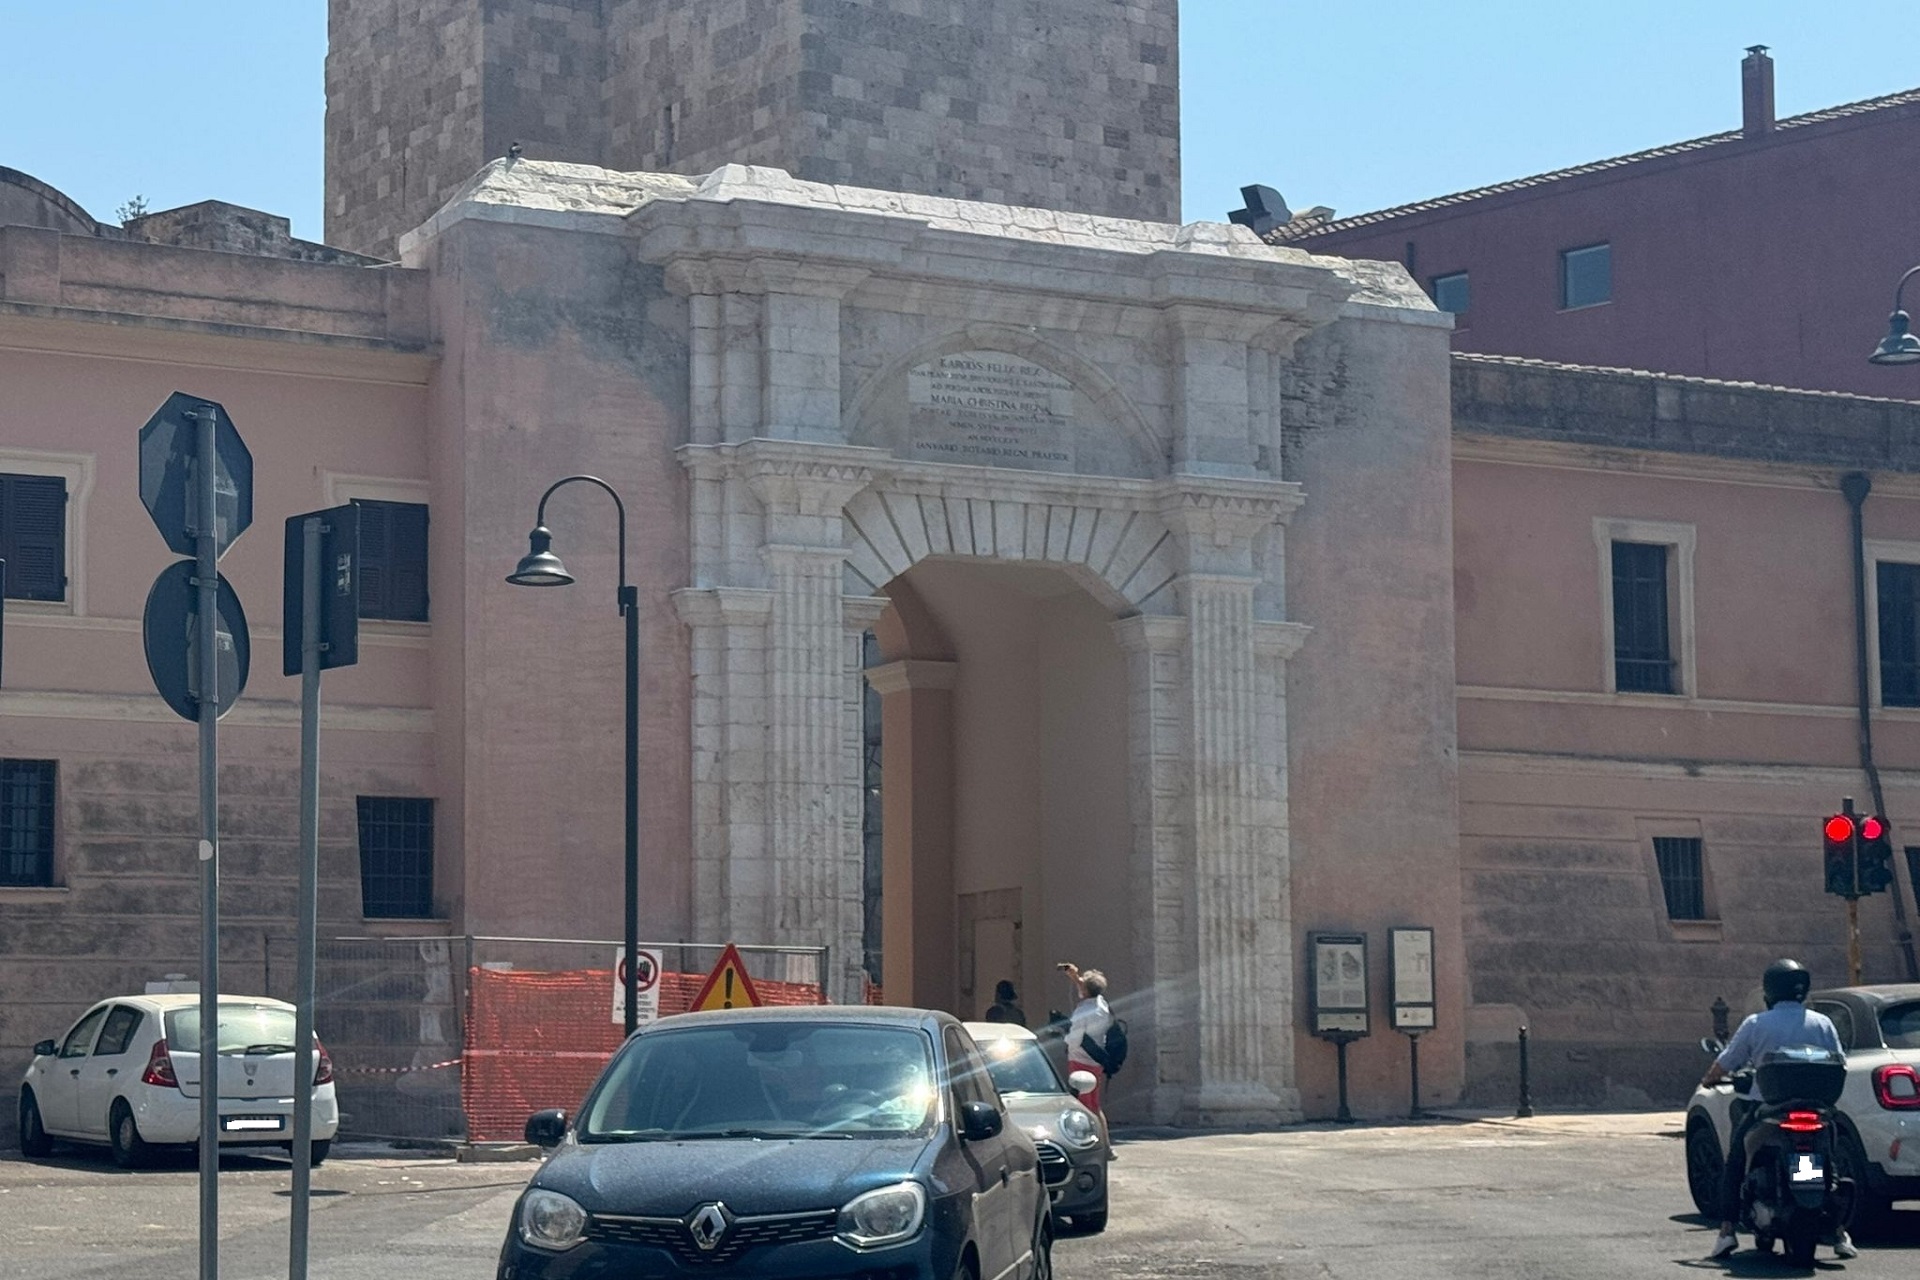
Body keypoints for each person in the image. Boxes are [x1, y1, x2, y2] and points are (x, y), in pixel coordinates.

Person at [1700, 958, 1855, 1262]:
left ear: (1770, 991)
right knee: (1830, 1164)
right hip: (1816, 1109)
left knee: (1735, 1161)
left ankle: (1727, 1231)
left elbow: (1728, 1061)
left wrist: (1710, 1077)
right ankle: (1838, 1233)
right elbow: (1840, 1062)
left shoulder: (1757, 1024)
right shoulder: (1821, 1023)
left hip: (1767, 1108)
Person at [1058, 962, 1112, 1112]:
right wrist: (1075, 977)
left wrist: (1064, 1037)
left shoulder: (1083, 1012)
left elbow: (1075, 1039)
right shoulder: (1102, 1004)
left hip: (1081, 1060)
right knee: (1094, 1104)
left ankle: (1089, 1133)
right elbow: (1088, 990)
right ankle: (1103, 1135)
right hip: (1096, 1060)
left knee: (1083, 1105)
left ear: (1086, 989)